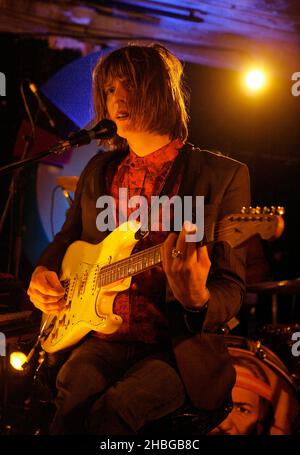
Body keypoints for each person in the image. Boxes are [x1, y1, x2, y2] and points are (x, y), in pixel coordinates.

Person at [27, 43, 251, 435]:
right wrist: (43, 271)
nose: (117, 99)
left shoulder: (221, 175)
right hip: (102, 335)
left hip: (176, 348)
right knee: (69, 402)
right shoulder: (99, 169)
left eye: (129, 85)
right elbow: (67, 238)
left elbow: (232, 287)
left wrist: (198, 300)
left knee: (113, 413)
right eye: (110, 89)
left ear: (161, 91)